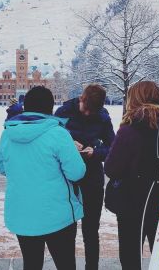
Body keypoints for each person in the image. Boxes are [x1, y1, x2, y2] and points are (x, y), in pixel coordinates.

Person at [0, 86, 86, 270]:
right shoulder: (58, 133)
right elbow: (76, 172)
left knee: (31, 264)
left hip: (22, 213)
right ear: (50, 108)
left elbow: (2, 168)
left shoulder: (7, 133)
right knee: (66, 264)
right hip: (57, 214)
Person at [104, 81, 159, 270]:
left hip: (132, 202)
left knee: (130, 256)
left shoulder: (130, 128)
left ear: (133, 99)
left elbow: (112, 168)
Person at [55, 84, 115, 270]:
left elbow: (112, 148)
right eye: (86, 109)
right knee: (67, 232)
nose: (88, 114)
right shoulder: (63, 112)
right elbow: (51, 142)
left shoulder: (103, 116)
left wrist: (96, 152)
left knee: (91, 231)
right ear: (81, 99)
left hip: (93, 180)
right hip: (67, 180)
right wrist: (67, 143)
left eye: (93, 111)